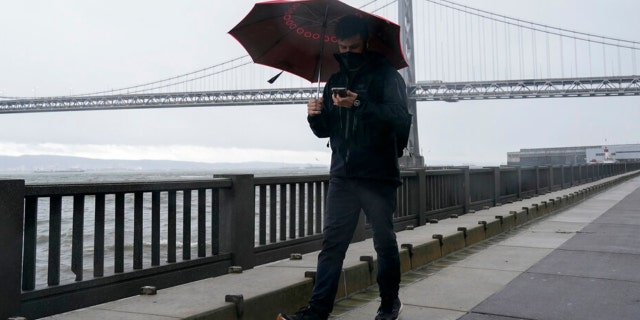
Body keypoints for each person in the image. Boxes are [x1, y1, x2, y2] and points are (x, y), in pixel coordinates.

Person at [277, 14, 412, 320]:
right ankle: (317, 312)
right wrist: (315, 116)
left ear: (365, 43)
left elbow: (399, 119)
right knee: (332, 246)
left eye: (353, 47)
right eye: (343, 47)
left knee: (384, 241)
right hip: (342, 174)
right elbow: (327, 131)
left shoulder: (386, 75)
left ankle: (389, 303)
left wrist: (360, 105)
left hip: (377, 174)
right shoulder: (334, 80)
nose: (348, 52)